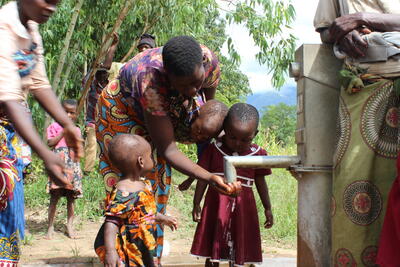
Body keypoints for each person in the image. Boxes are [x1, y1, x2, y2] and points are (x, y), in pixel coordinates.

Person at [96, 35, 241, 263]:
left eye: (197, 82)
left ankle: (151, 256)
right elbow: (169, 150)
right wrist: (208, 177)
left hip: (163, 111)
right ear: (168, 76)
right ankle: (118, 254)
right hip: (123, 110)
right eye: (183, 86)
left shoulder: (210, 64)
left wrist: (208, 167)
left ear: (203, 66)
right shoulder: (150, 82)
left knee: (158, 184)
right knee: (132, 184)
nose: (193, 91)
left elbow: (207, 112)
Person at [314, 1, 400, 265]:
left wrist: (364, 18)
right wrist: (342, 32)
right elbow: (327, 29)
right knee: (353, 193)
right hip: (361, 90)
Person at [0, 0, 83, 265]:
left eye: (56, 2)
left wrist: (67, 124)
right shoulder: (4, 28)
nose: (51, 8)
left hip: (8, 135)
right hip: (5, 128)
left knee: (10, 214)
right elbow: (10, 99)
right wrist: (46, 154)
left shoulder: (31, 28)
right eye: (46, 0)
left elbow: (38, 82)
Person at [190, 103, 273, 266]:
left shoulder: (258, 155)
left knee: (239, 242)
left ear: (254, 135)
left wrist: (267, 208)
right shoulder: (214, 149)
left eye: (245, 140)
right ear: (225, 130)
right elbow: (203, 179)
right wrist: (196, 203)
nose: (237, 144)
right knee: (213, 245)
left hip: (244, 209)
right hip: (216, 205)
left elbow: (260, 182)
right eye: (232, 137)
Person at [94, 134, 177, 267]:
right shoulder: (123, 192)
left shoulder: (144, 184)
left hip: (145, 244)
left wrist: (161, 218)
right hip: (132, 248)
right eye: (150, 156)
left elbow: (145, 212)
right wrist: (110, 252)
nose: (152, 159)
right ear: (141, 161)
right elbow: (111, 223)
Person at [82, 32, 119, 174]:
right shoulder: (90, 85)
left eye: (105, 73)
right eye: (100, 72)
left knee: (109, 147)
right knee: (91, 145)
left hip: (107, 122)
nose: (103, 74)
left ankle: (106, 170)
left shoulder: (110, 87)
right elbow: (92, 74)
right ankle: (87, 171)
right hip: (92, 121)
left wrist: (113, 46)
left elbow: (108, 65)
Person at [46, 99, 83, 240]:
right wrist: (62, 132)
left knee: (71, 198)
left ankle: (70, 226)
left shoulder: (77, 130)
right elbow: (50, 143)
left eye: (71, 113)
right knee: (54, 197)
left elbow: (78, 149)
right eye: (65, 112)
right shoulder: (54, 126)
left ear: (75, 114)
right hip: (58, 165)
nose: (68, 115)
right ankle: (50, 227)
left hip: (72, 166)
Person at [178, 99, 229, 190]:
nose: (199, 137)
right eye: (198, 131)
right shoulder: (183, 110)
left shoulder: (205, 137)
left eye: (206, 137)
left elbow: (201, 162)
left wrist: (189, 181)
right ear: (195, 116)